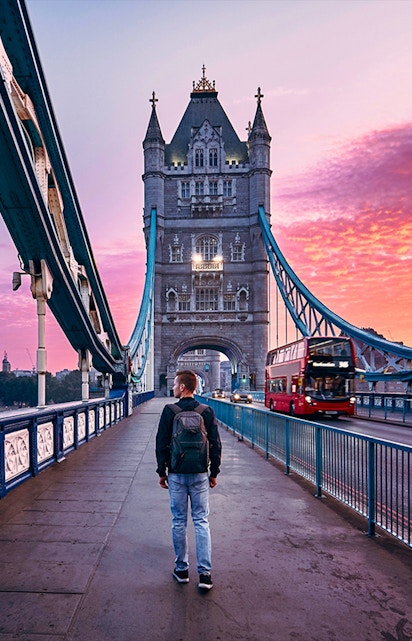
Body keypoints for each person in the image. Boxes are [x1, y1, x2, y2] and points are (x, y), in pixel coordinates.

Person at [156, 370, 222, 590]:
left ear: (183, 387)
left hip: (176, 474)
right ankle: (205, 575)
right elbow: (215, 444)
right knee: (201, 521)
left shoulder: (169, 411)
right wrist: (214, 473)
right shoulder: (207, 411)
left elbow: (161, 443)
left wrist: (161, 472)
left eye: (175, 384)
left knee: (179, 521)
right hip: (200, 473)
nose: (173, 387)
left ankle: (182, 570)